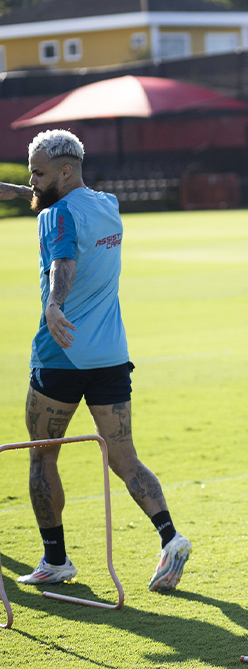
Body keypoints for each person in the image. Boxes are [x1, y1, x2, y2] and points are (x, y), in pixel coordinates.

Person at [0, 130, 191, 592]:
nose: (32, 181)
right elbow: (60, 209)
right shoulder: (106, 205)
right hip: (110, 356)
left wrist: (54, 305)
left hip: (60, 355)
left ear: (64, 172)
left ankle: (56, 559)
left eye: (39, 173)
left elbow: (60, 262)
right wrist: (27, 190)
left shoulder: (57, 216)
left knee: (41, 457)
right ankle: (171, 537)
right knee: (124, 457)